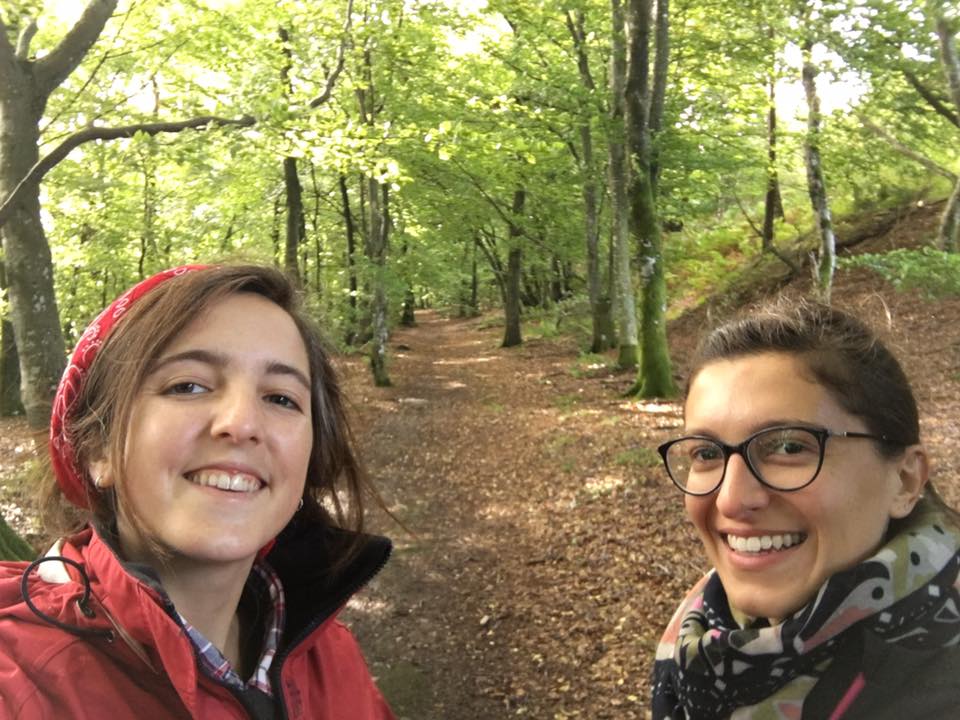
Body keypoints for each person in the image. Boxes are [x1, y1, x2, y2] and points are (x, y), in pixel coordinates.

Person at [0, 264, 396, 719]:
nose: (242, 423)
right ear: (98, 450)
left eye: (281, 398)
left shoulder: (331, 656)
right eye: (188, 386)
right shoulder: (22, 679)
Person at [651, 298, 960, 719]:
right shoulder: (695, 640)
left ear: (905, 480)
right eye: (706, 453)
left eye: (789, 447)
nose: (731, 499)